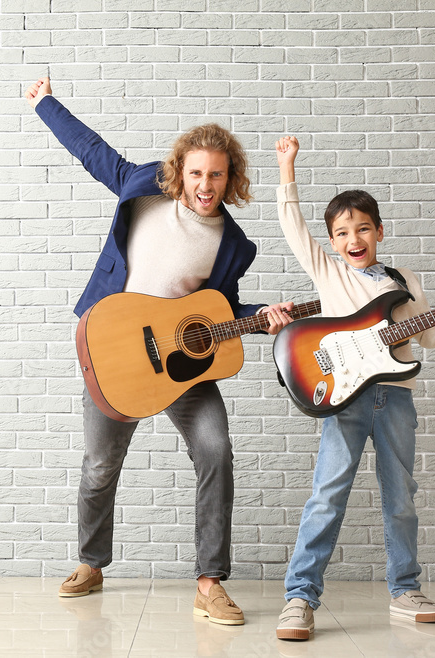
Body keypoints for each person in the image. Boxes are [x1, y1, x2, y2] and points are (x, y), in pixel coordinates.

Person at [24, 77, 294, 626]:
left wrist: (260, 323)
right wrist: (43, 103)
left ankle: (209, 583)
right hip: (118, 351)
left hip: (183, 366)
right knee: (100, 465)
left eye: (216, 174)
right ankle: (91, 563)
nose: (205, 184)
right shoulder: (142, 186)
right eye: (197, 172)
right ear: (180, 170)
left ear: (230, 177)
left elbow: (222, 309)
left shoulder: (235, 243)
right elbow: (91, 151)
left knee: (215, 450)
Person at [271, 136, 435, 641]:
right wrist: (287, 167)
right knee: (328, 496)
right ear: (332, 240)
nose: (354, 237)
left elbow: (428, 336)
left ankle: (406, 590)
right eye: (343, 231)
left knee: (401, 498)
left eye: (363, 228)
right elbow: (292, 227)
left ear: (379, 232)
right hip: (344, 400)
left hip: (395, 398)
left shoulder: (404, 280)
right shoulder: (328, 271)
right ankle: (300, 598)